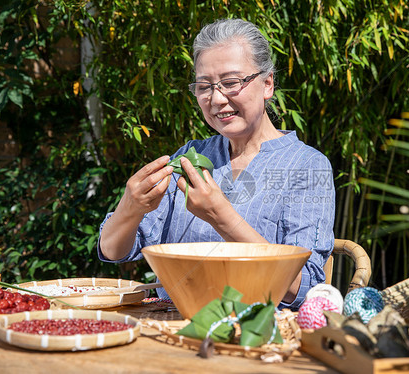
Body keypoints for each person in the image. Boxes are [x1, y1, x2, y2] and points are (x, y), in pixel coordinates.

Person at [98, 18, 335, 310]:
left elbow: (307, 286)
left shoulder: (306, 166)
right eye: (204, 86)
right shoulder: (190, 157)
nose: (217, 99)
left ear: (267, 84)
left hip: (255, 338)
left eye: (231, 83)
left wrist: (221, 216)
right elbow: (112, 251)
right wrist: (130, 207)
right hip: (174, 330)